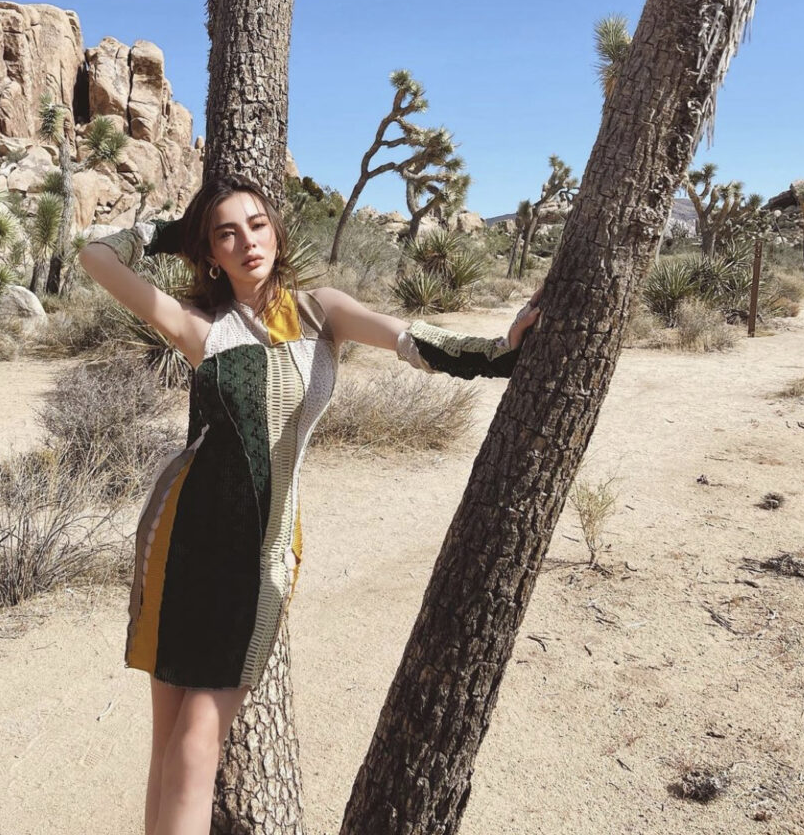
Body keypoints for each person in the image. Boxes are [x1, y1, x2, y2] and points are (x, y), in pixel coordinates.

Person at [77, 174, 542, 835]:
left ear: (276, 230)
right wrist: (168, 233)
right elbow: (95, 257)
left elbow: (411, 340)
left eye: (256, 225)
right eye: (225, 234)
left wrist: (499, 353)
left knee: (198, 736)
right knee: (170, 743)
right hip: (180, 540)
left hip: (260, 553)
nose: (246, 242)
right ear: (208, 252)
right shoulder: (199, 325)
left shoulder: (321, 312)